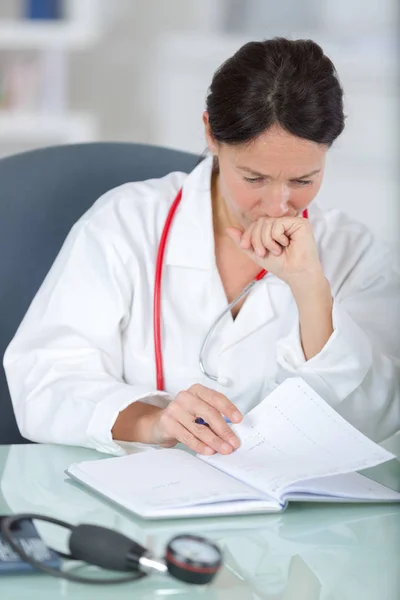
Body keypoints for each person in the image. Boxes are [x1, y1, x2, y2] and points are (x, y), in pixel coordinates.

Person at [4, 38, 400, 457]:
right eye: (254, 178)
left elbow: (377, 420)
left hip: (289, 515)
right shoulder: (125, 222)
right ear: (211, 133)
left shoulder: (355, 252)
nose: (278, 204)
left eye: (303, 181)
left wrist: (311, 290)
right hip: (136, 502)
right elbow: (44, 379)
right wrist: (152, 421)